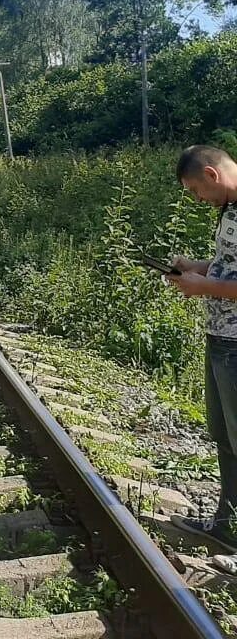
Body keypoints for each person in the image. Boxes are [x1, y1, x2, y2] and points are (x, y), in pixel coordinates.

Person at [168, 144, 237, 550]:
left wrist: (204, 286)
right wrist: (197, 268)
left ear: (211, 175)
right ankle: (227, 526)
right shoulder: (229, 209)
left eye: (196, 191)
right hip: (222, 338)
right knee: (226, 438)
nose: (198, 199)